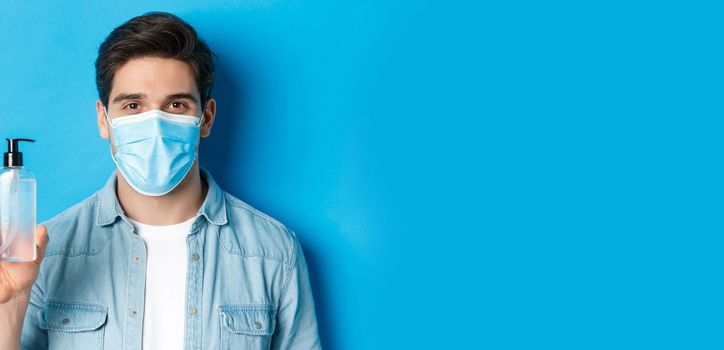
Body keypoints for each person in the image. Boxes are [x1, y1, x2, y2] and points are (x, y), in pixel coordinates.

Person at [0, 11, 321, 350]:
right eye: (133, 105)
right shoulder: (45, 254)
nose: (154, 124)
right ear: (104, 120)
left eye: (176, 104)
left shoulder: (273, 252)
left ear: (206, 118)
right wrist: (9, 305)